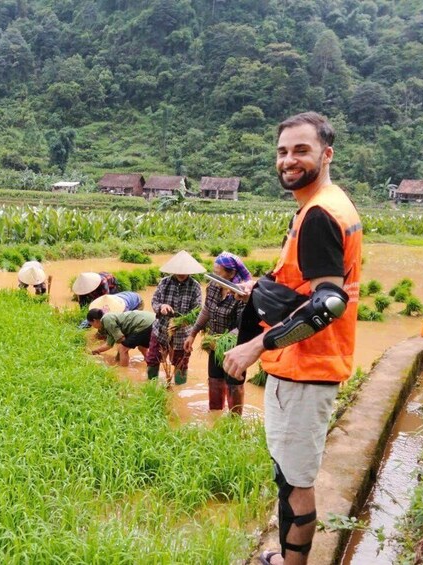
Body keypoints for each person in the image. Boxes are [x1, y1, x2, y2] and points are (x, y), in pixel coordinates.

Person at [223, 112, 362, 565]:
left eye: (301, 150)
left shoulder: (319, 213)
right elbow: (312, 285)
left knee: (296, 483)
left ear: (327, 153)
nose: (289, 159)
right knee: (289, 476)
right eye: (283, 151)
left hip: (306, 369)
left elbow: (328, 303)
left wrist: (255, 346)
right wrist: (262, 289)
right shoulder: (325, 204)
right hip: (308, 367)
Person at [184, 252, 252, 415]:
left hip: (234, 348)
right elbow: (207, 310)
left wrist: (221, 342)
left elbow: (243, 326)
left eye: (218, 273)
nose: (214, 276)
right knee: (214, 380)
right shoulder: (214, 286)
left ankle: (234, 421)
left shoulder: (242, 294)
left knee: (234, 385)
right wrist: (193, 333)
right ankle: (215, 415)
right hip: (215, 345)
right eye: (213, 272)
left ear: (231, 273)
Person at [145, 251, 204, 385]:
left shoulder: (195, 286)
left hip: (183, 333)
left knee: (181, 363)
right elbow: (154, 301)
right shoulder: (164, 282)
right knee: (153, 358)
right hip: (161, 329)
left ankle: (179, 390)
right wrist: (162, 307)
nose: (181, 273)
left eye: (184, 271)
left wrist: (182, 321)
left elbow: (197, 311)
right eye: (178, 270)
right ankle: (151, 387)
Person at [87, 308, 155, 367]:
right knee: (141, 347)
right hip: (152, 321)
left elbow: (121, 339)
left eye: (91, 324)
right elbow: (108, 345)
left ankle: (124, 371)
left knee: (123, 349)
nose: (93, 326)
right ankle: (151, 363)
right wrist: (95, 351)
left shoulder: (106, 319)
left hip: (144, 324)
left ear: (94, 320)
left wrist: (119, 356)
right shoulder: (108, 320)